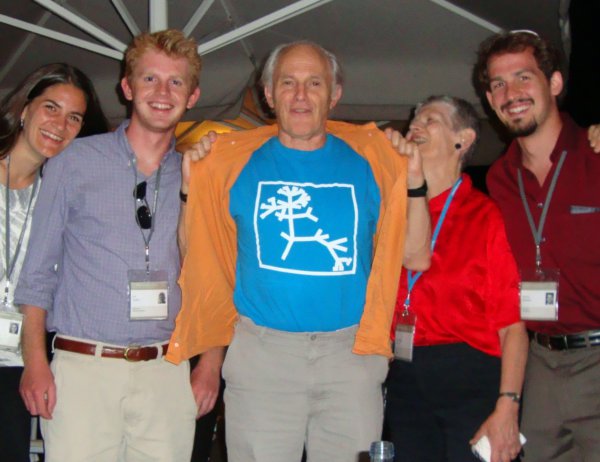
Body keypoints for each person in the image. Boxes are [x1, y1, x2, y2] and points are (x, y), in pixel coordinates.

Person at [166, 41, 432, 462]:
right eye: (287, 83)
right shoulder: (228, 163)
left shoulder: (374, 161)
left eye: (314, 83)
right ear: (269, 94)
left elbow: (416, 257)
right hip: (262, 358)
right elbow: (192, 254)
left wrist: (414, 180)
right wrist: (189, 188)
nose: (301, 95)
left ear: (335, 94)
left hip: (351, 357)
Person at [14, 30, 218, 462]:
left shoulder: (200, 176)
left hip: (167, 371)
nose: (162, 93)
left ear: (193, 94)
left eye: (176, 82)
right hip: (83, 368)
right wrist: (35, 362)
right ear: (127, 87)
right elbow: (37, 274)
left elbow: (214, 279)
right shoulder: (73, 162)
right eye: (149, 79)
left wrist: (211, 365)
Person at [476, 30, 600, 461]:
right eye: (498, 84)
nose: (511, 93)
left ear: (555, 84)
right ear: (490, 101)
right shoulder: (498, 179)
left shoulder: (595, 154)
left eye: (523, 77)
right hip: (541, 363)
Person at [384, 96, 528, 462]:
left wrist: (508, 406)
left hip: (469, 382)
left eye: (429, 119)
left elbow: (512, 325)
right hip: (404, 380)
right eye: (413, 117)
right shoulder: (390, 212)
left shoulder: (485, 216)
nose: (414, 124)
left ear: (461, 139)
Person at [0, 63, 107, 462]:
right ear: (25, 108)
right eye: (51, 108)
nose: (59, 125)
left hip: (15, 359)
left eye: (74, 117)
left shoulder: (60, 196)